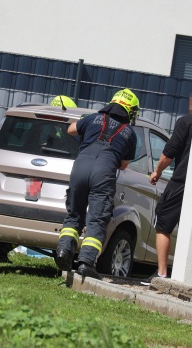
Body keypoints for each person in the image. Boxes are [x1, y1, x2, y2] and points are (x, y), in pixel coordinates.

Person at [55, 88, 139, 279]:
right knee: (97, 218)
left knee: (74, 214)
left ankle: (64, 252)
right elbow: (124, 165)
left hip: (80, 166)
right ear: (129, 111)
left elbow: (70, 129)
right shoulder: (129, 133)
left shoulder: (93, 118)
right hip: (103, 171)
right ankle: (86, 263)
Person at [141, 91, 192, 284]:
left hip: (181, 181)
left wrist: (157, 171)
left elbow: (169, 152)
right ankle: (191, 275)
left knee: (163, 222)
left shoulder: (187, 122)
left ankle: (162, 273)